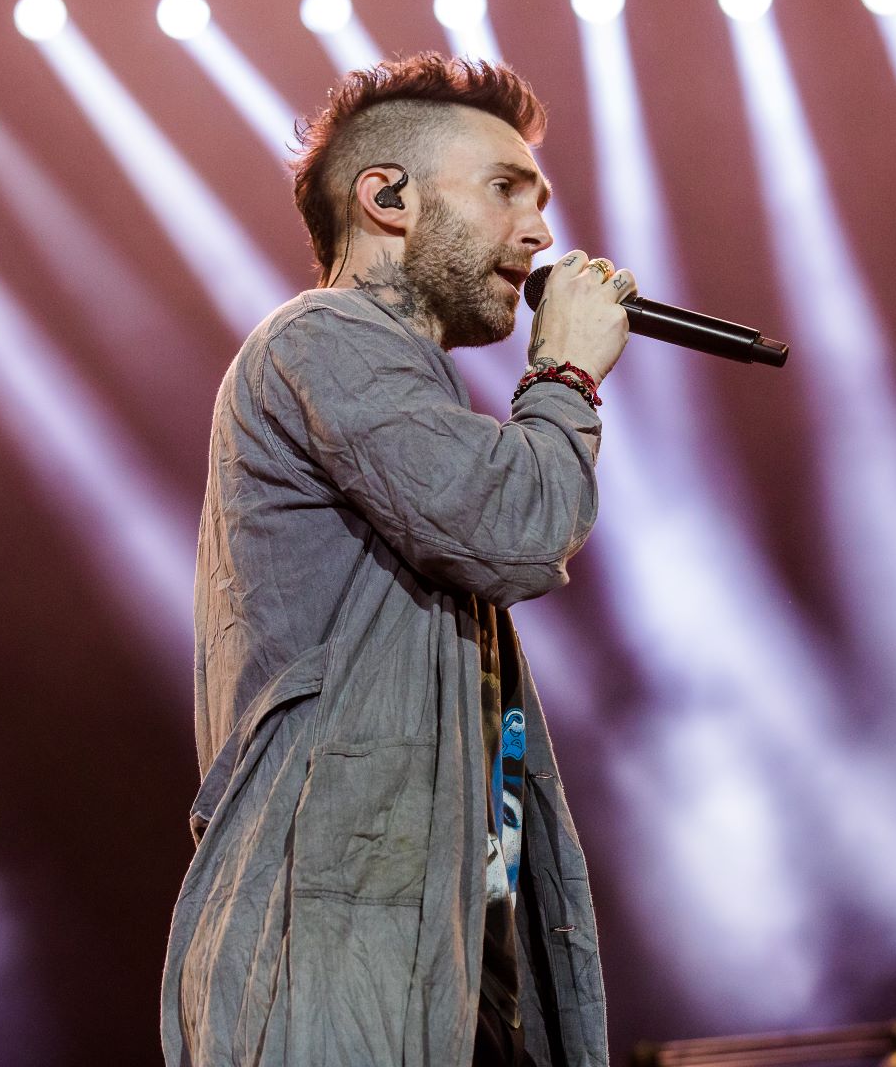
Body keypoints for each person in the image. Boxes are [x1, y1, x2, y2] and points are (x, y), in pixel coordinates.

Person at [161, 52, 637, 1066]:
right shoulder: (323, 336)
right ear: (388, 197)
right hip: (341, 971)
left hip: (444, 966)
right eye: (507, 189)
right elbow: (515, 525)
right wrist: (563, 375)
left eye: (542, 200)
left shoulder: (399, 393)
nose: (541, 232)